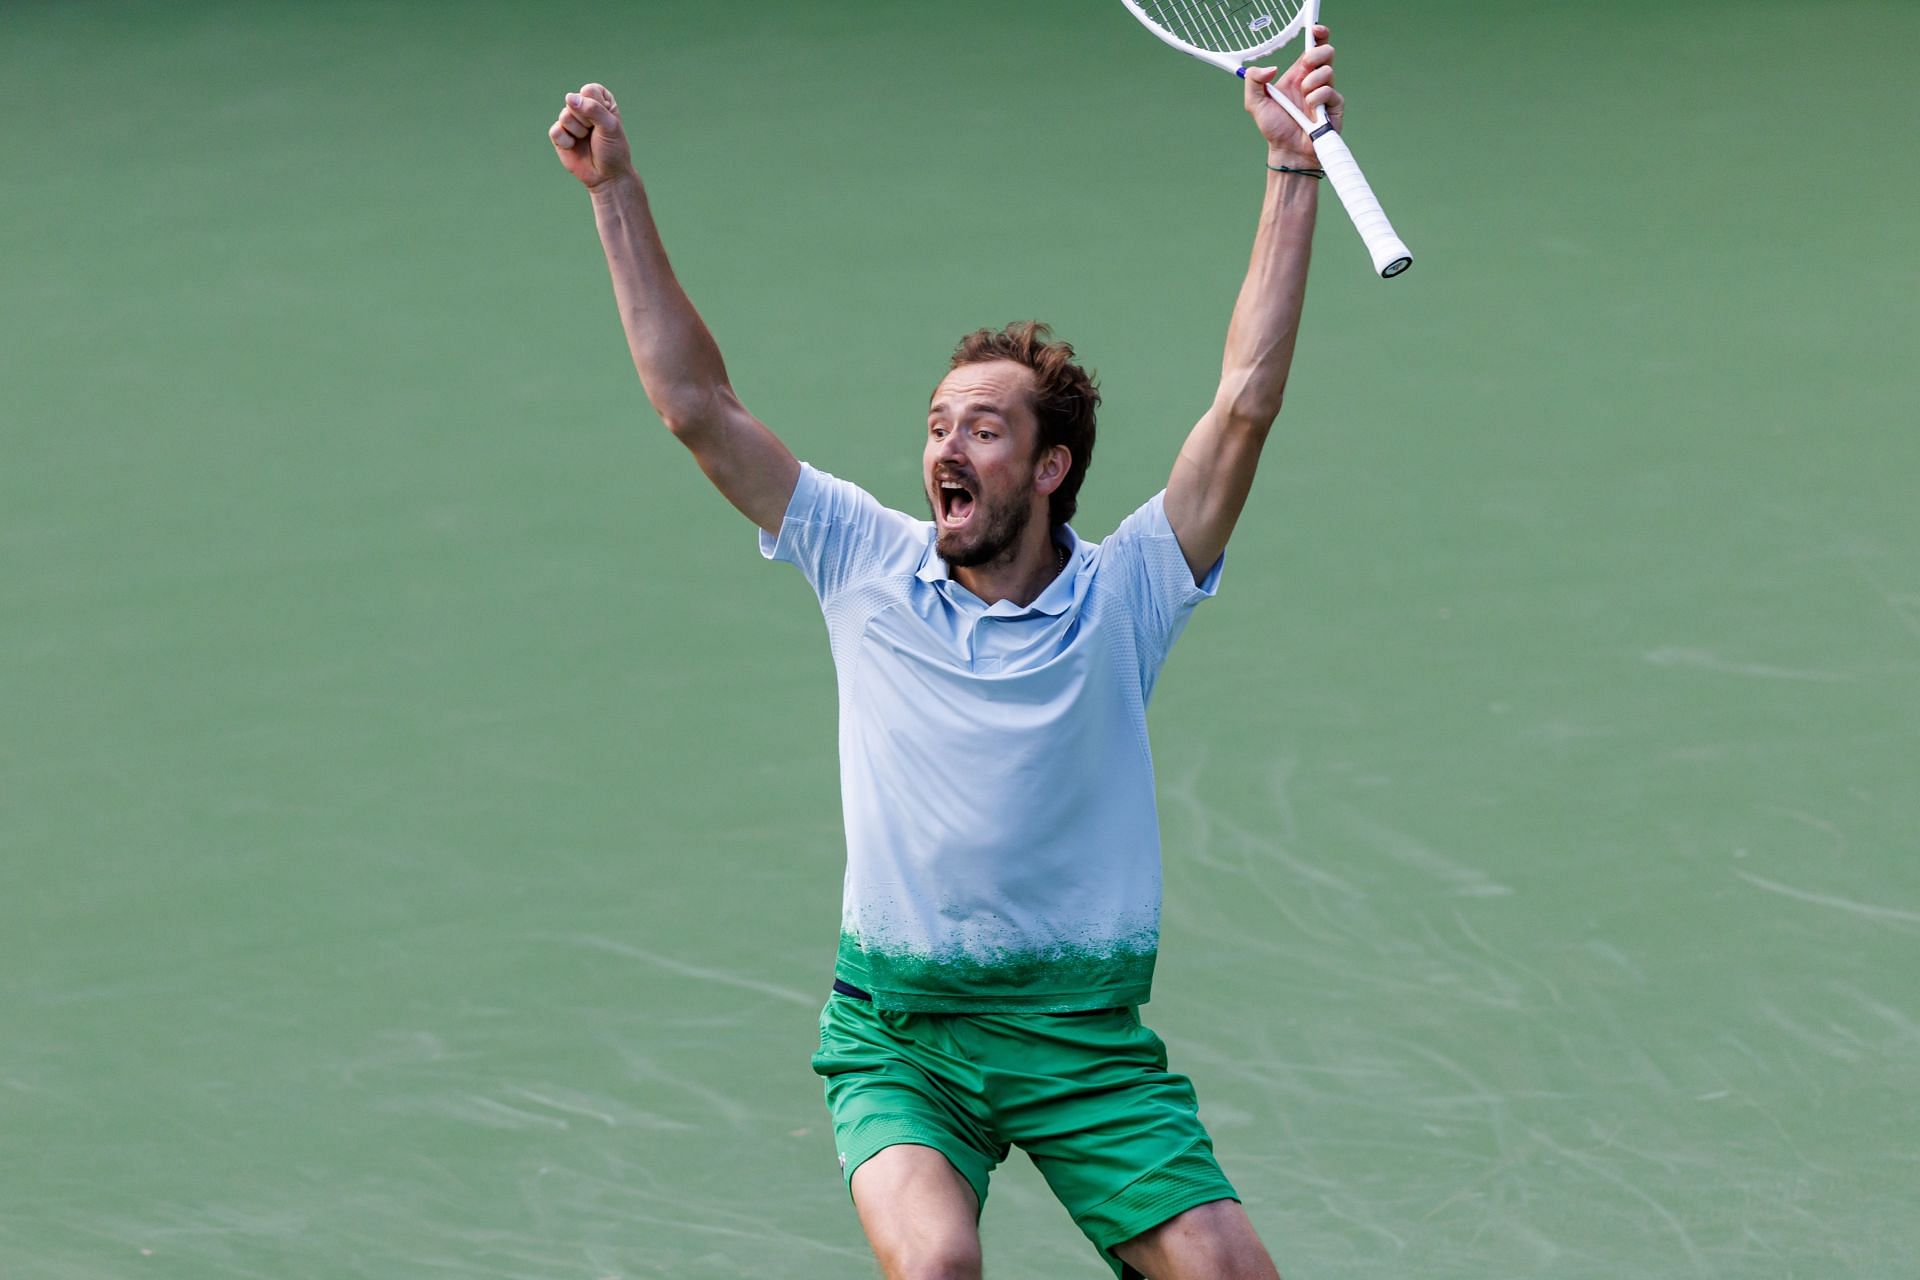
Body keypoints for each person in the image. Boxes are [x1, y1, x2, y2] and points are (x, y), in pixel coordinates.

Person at [548, 29, 1345, 1280]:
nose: (945, 449)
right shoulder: (862, 560)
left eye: (983, 427)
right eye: (936, 426)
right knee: (937, 1266)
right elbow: (695, 404)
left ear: (1051, 467)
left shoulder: (1129, 590)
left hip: (1082, 1042)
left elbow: (1244, 398)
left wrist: (1293, 175)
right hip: (903, 1032)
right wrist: (617, 195)